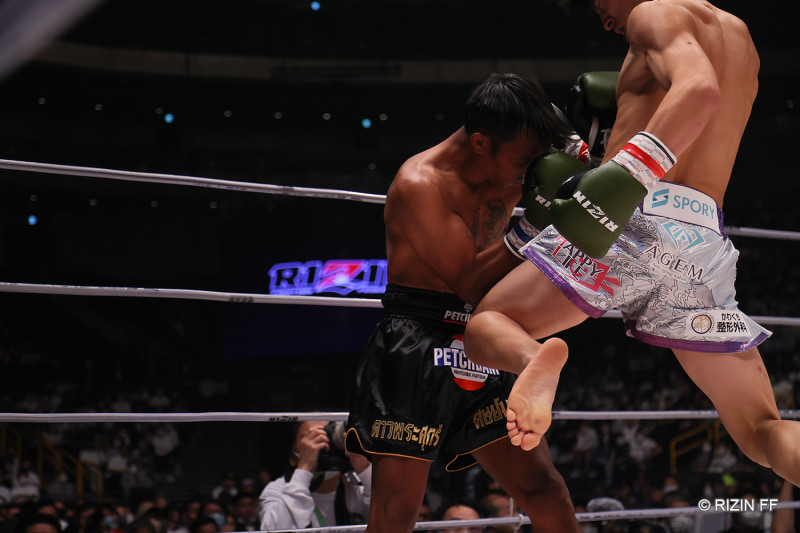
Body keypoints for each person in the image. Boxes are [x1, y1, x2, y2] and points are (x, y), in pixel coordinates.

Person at [463, 0, 800, 488]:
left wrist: (621, 177)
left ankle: (534, 360)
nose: (603, 17)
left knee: (488, 325)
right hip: (701, 239)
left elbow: (699, 90)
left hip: (630, 210)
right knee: (761, 431)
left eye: (600, 2)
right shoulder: (742, 39)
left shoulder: (654, 13)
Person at [345, 72, 581, 533]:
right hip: (418, 340)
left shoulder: (519, 150)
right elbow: (470, 281)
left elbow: (565, 152)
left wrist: (582, 157)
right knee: (396, 514)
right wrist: (533, 225)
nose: (529, 172)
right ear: (479, 143)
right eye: (524, 162)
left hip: (483, 334)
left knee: (544, 489)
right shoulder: (421, 184)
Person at [258, 421, 372, 529]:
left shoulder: (356, 485)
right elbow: (274, 528)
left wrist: (365, 470)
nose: (320, 442)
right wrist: (304, 468)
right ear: (292, 457)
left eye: (327, 433)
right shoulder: (277, 491)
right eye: (309, 437)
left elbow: (381, 521)